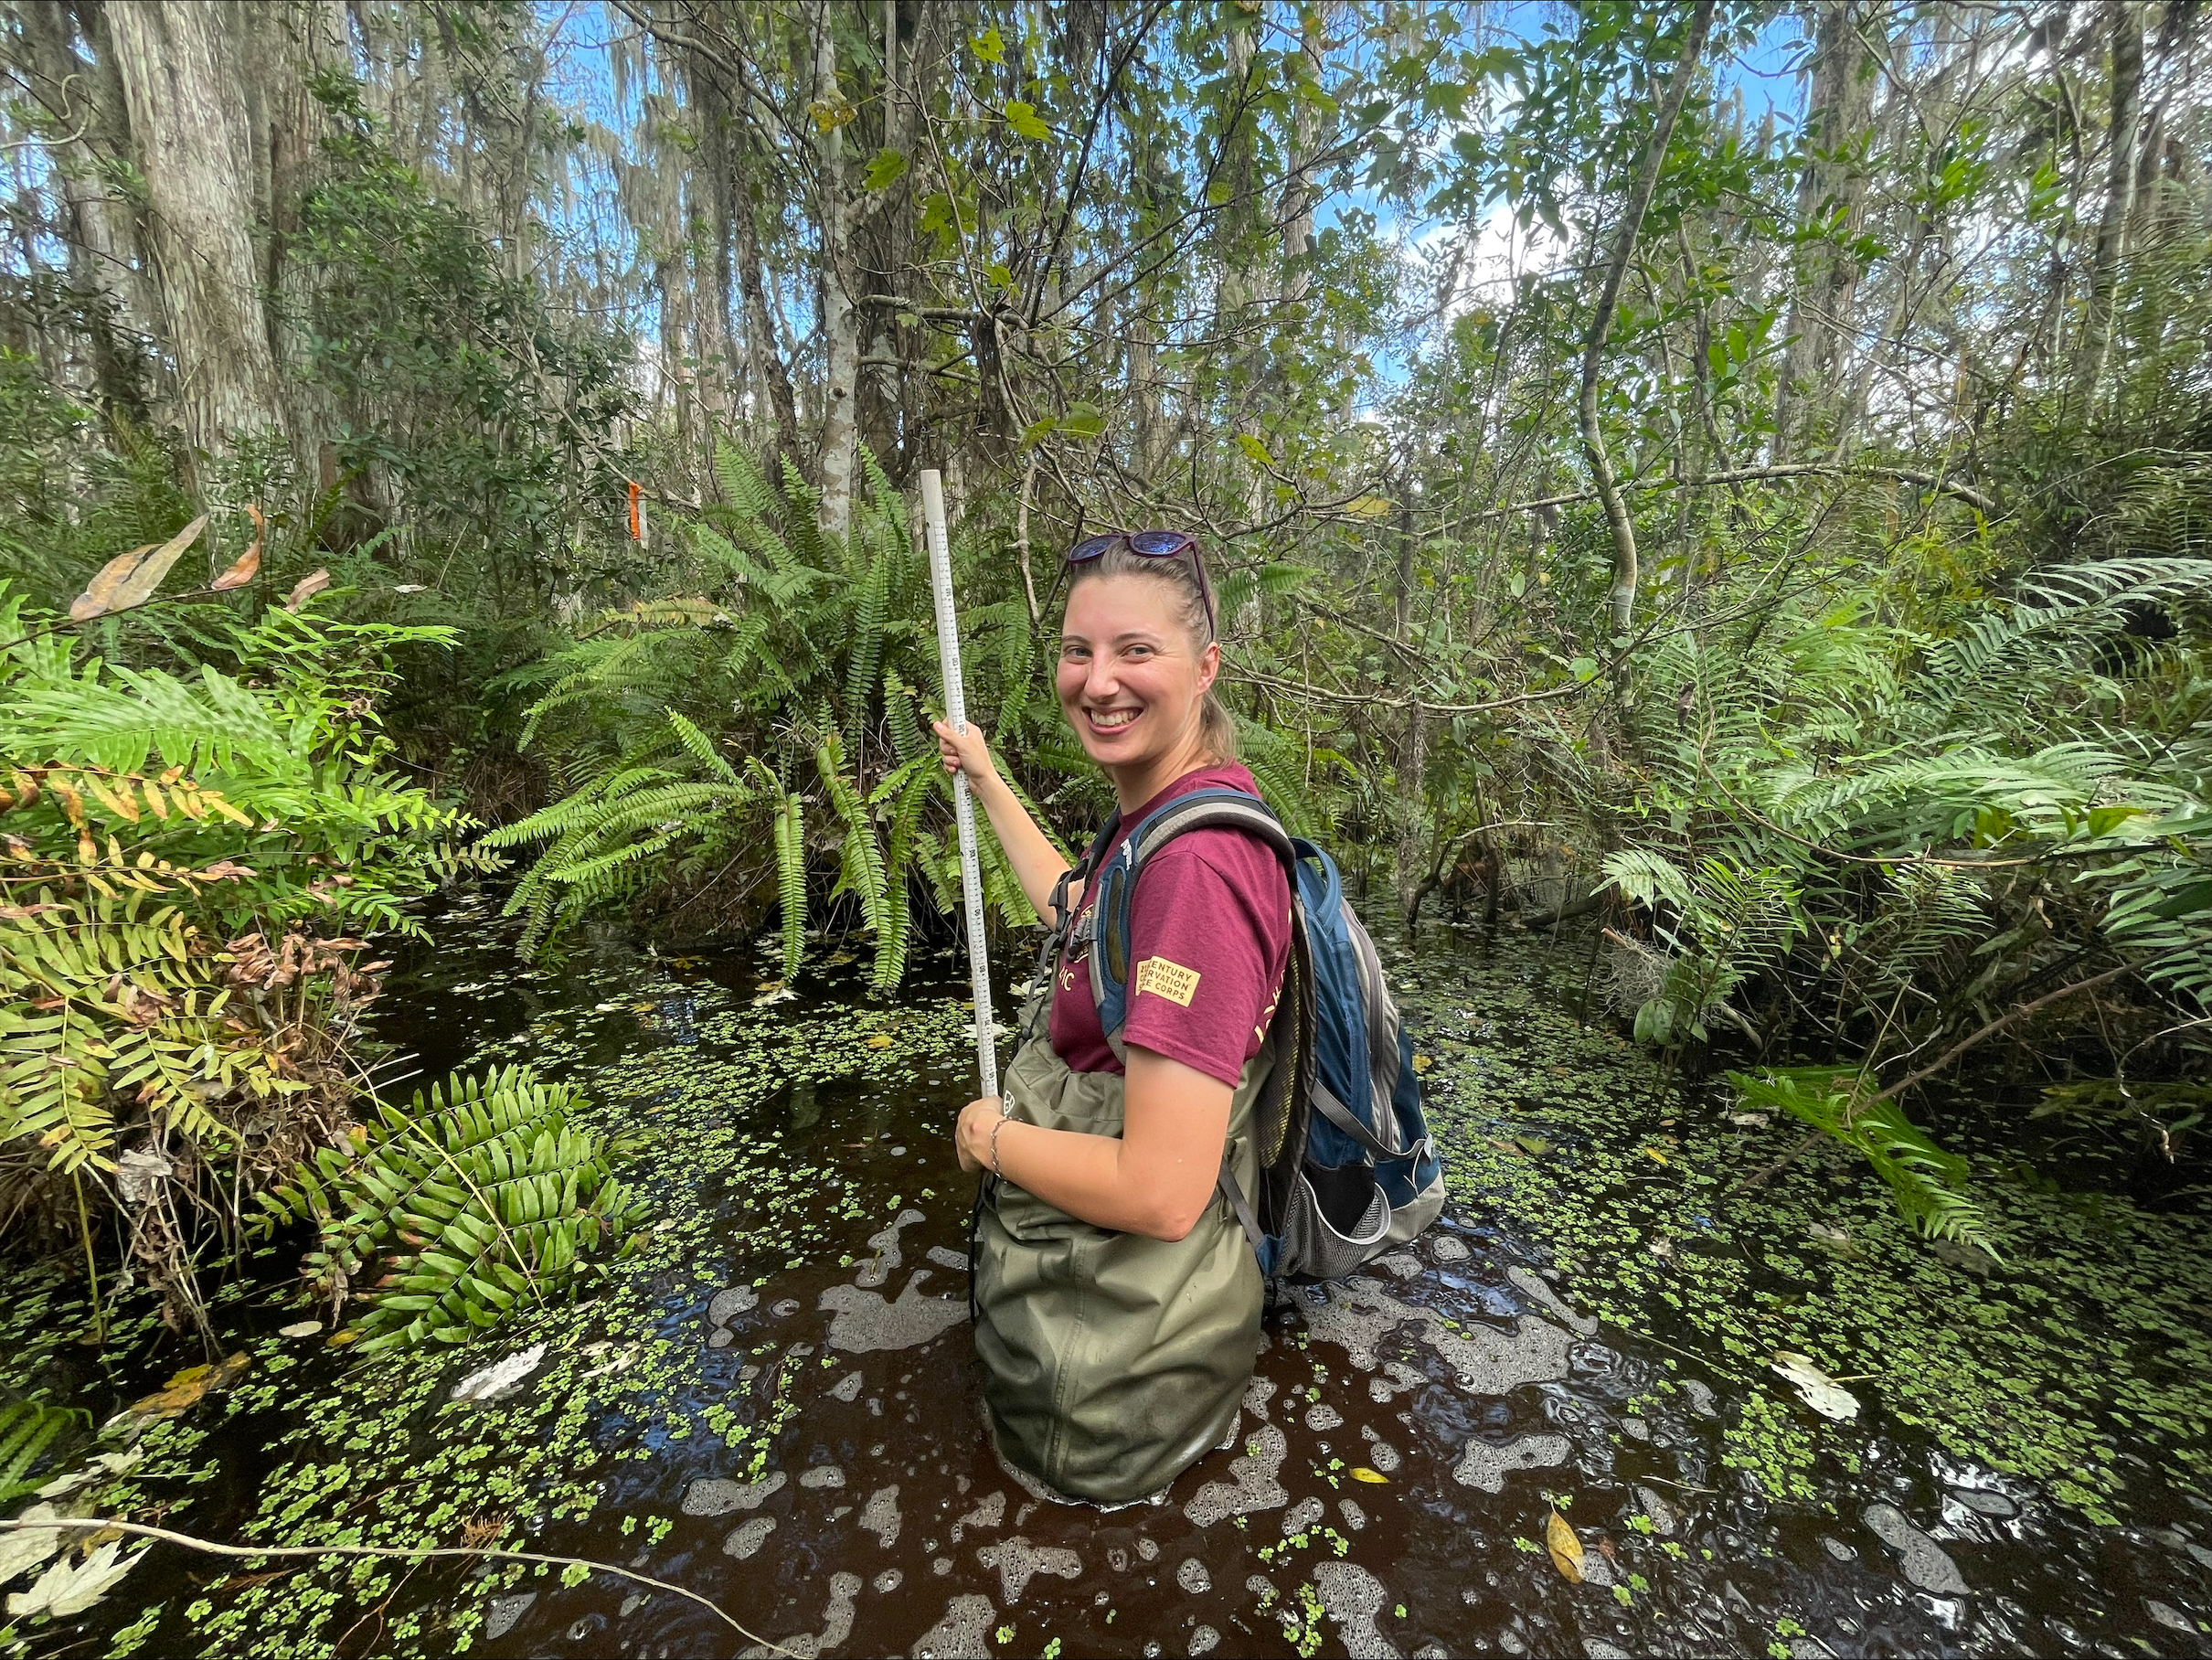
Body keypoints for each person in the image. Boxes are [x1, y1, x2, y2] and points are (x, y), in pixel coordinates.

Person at [933, 528, 1292, 1506]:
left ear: (1205, 667)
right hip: (1116, 1318)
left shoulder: (1196, 872)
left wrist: (989, 1138)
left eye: (1136, 651)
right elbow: (1077, 912)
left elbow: (1162, 1192)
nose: (1097, 682)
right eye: (1077, 651)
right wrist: (986, 779)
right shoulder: (1162, 817)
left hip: (1116, 1381)